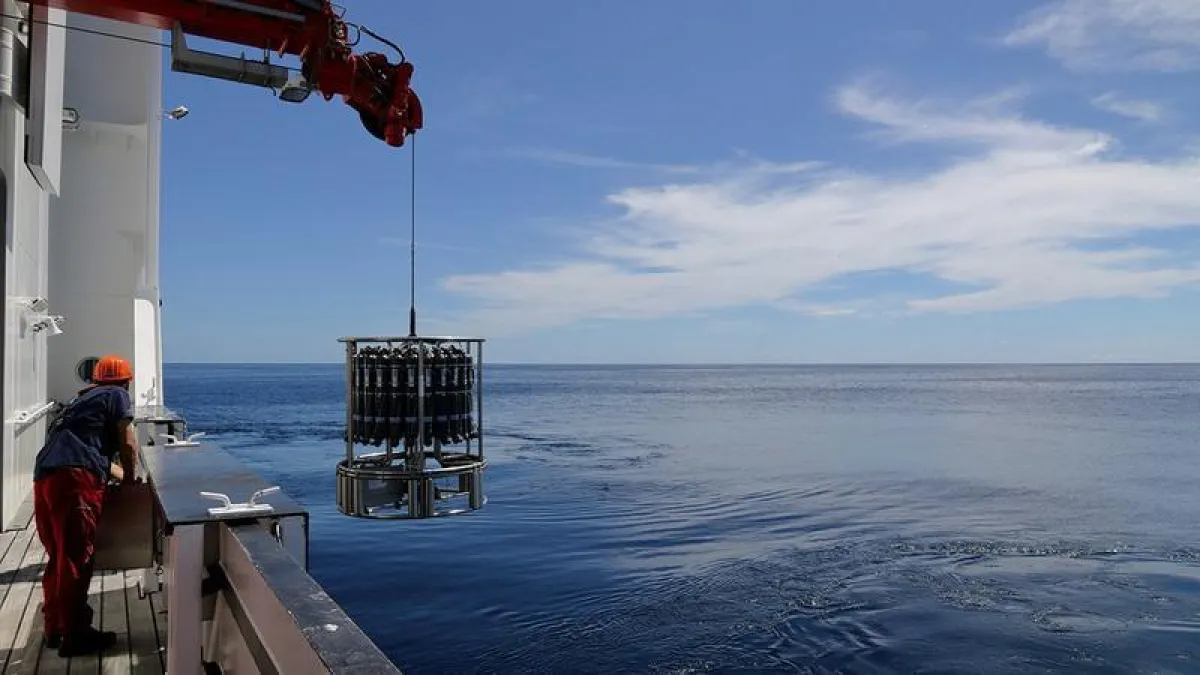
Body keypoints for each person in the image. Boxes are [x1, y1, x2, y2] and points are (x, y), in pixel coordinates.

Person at [33, 354, 140, 657]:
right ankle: (75, 636)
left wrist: (120, 475)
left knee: (59, 555)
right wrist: (132, 481)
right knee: (77, 557)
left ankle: (55, 629)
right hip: (74, 480)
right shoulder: (117, 395)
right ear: (125, 382)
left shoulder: (80, 401)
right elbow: (127, 442)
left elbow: (94, 455)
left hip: (45, 476)